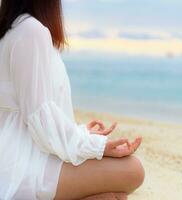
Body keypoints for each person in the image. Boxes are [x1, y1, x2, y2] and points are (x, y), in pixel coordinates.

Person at [0, 0, 145, 199]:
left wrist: (81, 132)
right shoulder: (31, 31)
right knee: (133, 170)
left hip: (18, 156)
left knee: (113, 196)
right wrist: (96, 146)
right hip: (23, 167)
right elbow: (38, 118)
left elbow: (30, 113)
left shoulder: (14, 29)